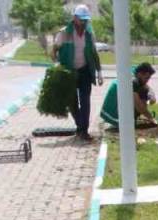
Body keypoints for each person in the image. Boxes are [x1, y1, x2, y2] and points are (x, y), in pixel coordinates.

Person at [51, 4, 103, 141]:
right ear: (74, 18)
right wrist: (56, 64)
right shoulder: (64, 33)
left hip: (85, 71)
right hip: (69, 72)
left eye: (86, 20)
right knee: (72, 102)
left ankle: (84, 131)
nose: (84, 22)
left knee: (85, 101)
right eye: (81, 19)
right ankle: (80, 126)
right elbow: (54, 50)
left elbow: (94, 53)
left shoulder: (89, 34)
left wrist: (99, 72)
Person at [100, 62, 157, 130]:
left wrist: (152, 94)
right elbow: (138, 105)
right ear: (140, 74)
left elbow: (146, 86)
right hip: (113, 114)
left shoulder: (134, 75)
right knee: (142, 94)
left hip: (113, 108)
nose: (147, 80)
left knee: (144, 90)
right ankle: (127, 121)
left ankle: (132, 117)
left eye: (149, 78)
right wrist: (151, 118)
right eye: (146, 78)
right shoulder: (132, 82)